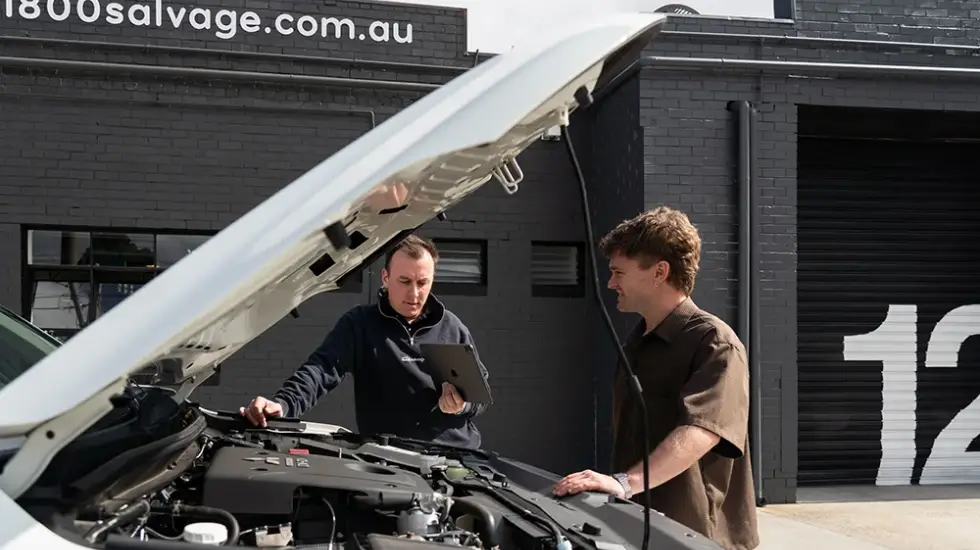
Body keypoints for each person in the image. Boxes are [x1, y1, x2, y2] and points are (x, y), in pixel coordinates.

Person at [552, 207, 759, 550]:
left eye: (619, 272)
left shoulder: (715, 343)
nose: (611, 283)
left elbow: (702, 430)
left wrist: (624, 482)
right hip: (638, 526)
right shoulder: (637, 342)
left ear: (660, 272)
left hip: (695, 536)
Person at [240, 235, 489, 449]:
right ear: (385, 277)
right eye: (404, 281)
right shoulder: (360, 324)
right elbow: (320, 370)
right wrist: (283, 405)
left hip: (457, 456)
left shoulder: (452, 327)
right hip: (391, 460)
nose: (414, 294)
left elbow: (479, 395)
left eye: (423, 283)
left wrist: (461, 405)